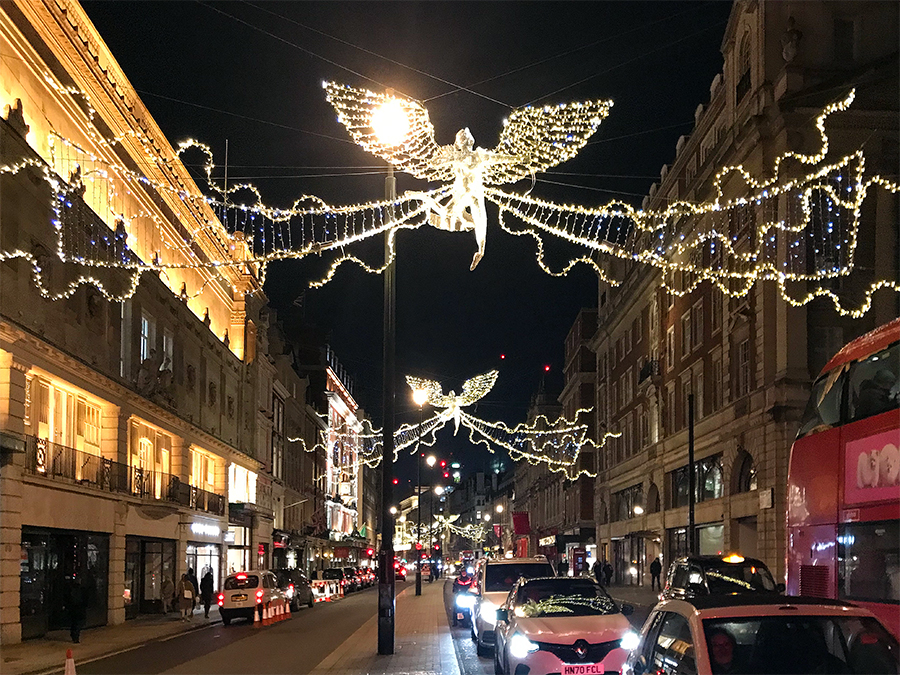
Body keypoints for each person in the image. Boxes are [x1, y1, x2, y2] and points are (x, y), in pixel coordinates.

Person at [66, 574, 88, 643]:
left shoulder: (71, 589)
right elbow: (84, 599)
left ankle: (74, 635)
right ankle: (75, 636)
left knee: (74, 622)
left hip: (73, 608)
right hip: (79, 608)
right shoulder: (82, 589)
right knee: (78, 623)